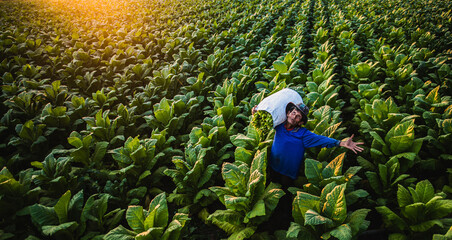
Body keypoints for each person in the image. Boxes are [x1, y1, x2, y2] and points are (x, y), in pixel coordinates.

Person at [252, 102, 364, 188]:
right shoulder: (279, 125)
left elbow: (322, 139)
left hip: (288, 172)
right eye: (293, 112)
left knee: (285, 191)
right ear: (288, 113)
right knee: (271, 186)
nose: (294, 116)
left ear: (300, 123)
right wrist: (255, 114)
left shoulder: (303, 134)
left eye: (298, 116)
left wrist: (341, 143)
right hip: (273, 165)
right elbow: (262, 124)